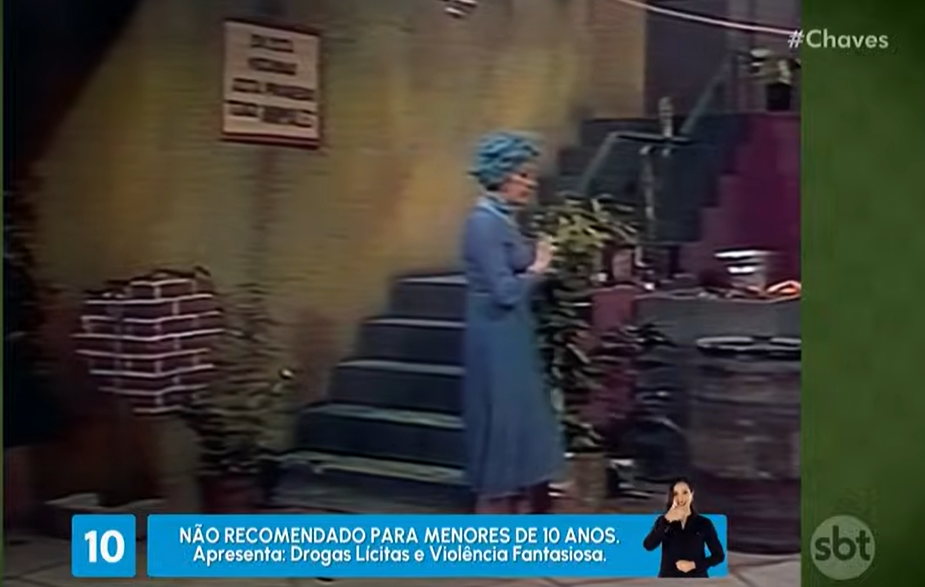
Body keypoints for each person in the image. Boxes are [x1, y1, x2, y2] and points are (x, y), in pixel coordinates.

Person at [460, 131, 565, 514]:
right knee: (503, 412)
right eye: (522, 175)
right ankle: (495, 511)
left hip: (513, 328)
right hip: (495, 329)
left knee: (521, 411)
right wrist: (538, 267)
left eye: (530, 175)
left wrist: (537, 258)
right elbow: (504, 291)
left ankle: (518, 503)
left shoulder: (503, 220)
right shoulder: (483, 223)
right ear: (500, 175)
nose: (530, 183)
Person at [643, 478, 725, 578]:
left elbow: (718, 556)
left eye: (685, 492)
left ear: (692, 494)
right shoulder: (663, 521)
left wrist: (694, 565)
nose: (680, 498)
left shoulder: (704, 523)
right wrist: (666, 520)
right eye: (676, 494)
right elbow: (648, 545)